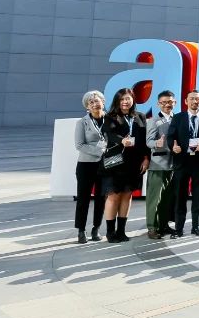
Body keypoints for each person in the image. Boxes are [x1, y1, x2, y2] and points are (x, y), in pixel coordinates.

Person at [100, 87, 148, 242]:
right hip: (115, 162)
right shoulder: (110, 117)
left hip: (134, 163)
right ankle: (110, 232)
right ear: (117, 101)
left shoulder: (140, 116)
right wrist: (122, 140)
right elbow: (110, 134)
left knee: (127, 196)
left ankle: (121, 231)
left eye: (127, 98)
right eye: (121, 99)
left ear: (133, 99)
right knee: (113, 196)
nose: (125, 102)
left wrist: (146, 158)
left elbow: (144, 140)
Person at [168, 89, 199, 237]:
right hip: (181, 161)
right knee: (180, 196)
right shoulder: (178, 117)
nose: (195, 101)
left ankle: (197, 226)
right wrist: (173, 147)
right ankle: (178, 228)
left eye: (197, 99)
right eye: (192, 99)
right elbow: (171, 136)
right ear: (186, 101)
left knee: (198, 196)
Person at [73, 90, 107, 243]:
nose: (94, 104)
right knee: (83, 198)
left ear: (103, 102)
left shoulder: (111, 120)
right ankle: (81, 230)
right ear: (87, 106)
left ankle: (96, 228)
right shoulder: (82, 122)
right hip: (86, 165)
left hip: (105, 165)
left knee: (101, 198)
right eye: (90, 102)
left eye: (97, 101)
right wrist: (99, 151)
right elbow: (79, 145)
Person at [144, 90, 177, 240]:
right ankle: (152, 227)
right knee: (154, 198)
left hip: (174, 164)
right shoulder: (153, 120)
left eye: (169, 102)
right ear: (158, 104)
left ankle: (163, 225)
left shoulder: (178, 118)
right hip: (158, 164)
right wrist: (156, 143)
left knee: (167, 199)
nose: (167, 105)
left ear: (174, 103)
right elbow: (148, 141)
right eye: (163, 102)